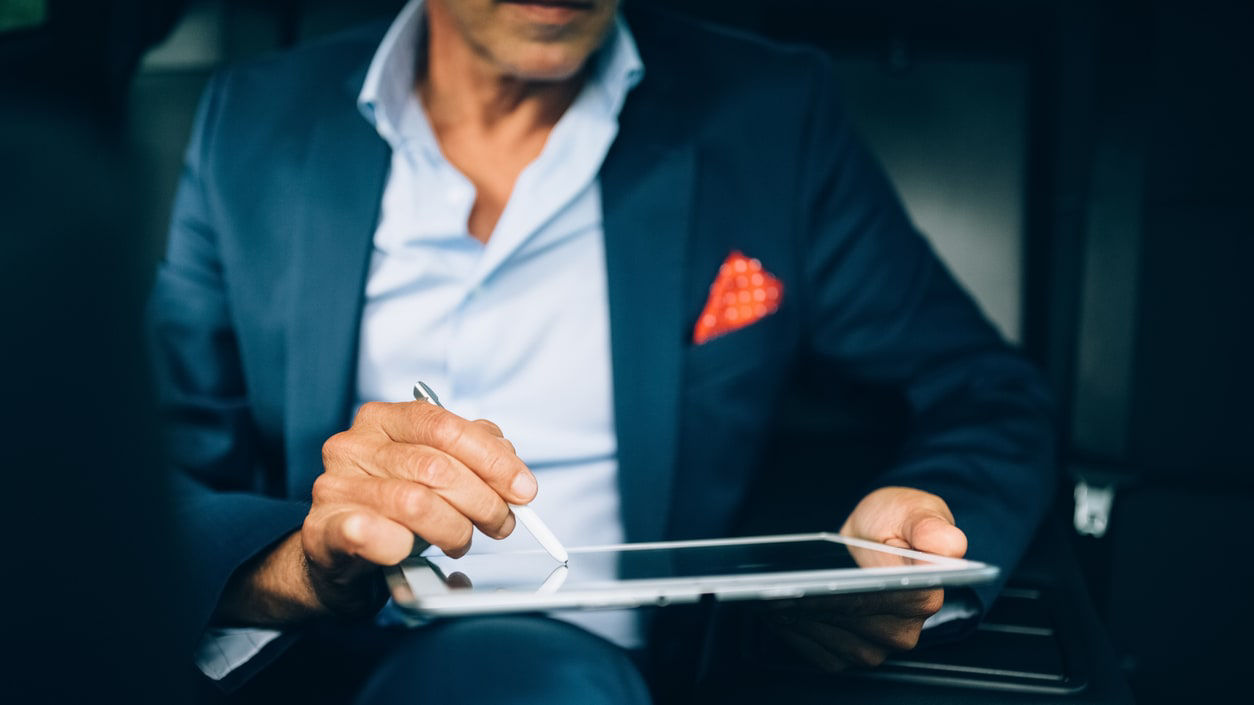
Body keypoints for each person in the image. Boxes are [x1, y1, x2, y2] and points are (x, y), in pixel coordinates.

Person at [148, 0, 1055, 702]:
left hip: (599, 669)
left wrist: (924, 540)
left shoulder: (772, 117)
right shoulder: (252, 124)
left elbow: (985, 390)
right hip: (298, 661)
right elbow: (150, 481)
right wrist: (296, 568)